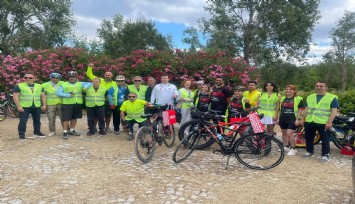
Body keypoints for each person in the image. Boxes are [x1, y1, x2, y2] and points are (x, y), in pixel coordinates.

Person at [302, 81, 338, 163]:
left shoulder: (332, 98)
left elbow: (334, 111)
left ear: (326, 87)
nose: (318, 88)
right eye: (317, 86)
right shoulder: (310, 97)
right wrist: (303, 119)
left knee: (325, 139)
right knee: (309, 138)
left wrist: (329, 122)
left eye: (321, 86)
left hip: (323, 122)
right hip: (310, 120)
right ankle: (309, 152)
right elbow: (306, 109)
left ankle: (325, 155)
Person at [56, 71, 91, 139]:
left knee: (74, 118)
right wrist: (68, 95)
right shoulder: (64, 84)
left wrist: (85, 87)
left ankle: (72, 130)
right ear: (68, 77)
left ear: (76, 77)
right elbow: (58, 93)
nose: (72, 78)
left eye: (73, 77)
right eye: (70, 77)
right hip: (67, 103)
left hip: (77, 103)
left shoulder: (80, 83)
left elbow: (90, 83)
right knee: (66, 119)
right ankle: (65, 132)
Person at [13, 72, 47, 140]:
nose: (28, 79)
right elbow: (15, 96)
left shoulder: (39, 86)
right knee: (23, 121)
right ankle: (21, 135)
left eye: (30, 78)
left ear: (34, 79)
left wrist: (44, 105)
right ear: (24, 79)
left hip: (36, 106)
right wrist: (19, 106)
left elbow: (43, 96)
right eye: (26, 78)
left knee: (37, 120)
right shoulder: (19, 86)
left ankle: (37, 132)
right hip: (24, 107)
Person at [86, 63, 116, 133]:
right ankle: (94, 127)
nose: (107, 76)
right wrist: (90, 67)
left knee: (108, 115)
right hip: (98, 101)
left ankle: (107, 127)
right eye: (106, 75)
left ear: (112, 76)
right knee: (96, 115)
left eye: (109, 75)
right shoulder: (99, 80)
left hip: (109, 101)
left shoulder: (115, 83)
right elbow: (89, 75)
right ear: (104, 75)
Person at [277, 85, 305, 156]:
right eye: (287, 89)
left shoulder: (298, 98)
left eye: (291, 89)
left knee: (290, 133)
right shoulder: (282, 98)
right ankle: (286, 146)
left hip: (292, 119)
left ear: (294, 91)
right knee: (284, 133)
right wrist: (278, 118)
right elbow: (280, 109)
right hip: (283, 118)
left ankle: (293, 148)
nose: (288, 91)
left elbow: (300, 110)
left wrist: (298, 119)